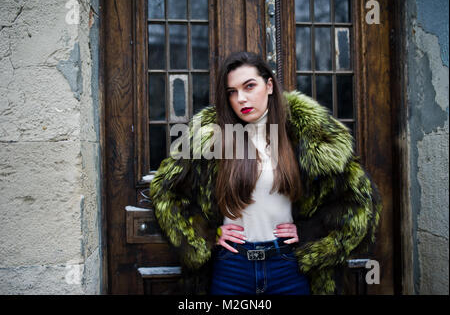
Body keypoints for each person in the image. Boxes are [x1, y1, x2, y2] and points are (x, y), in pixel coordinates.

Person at [149, 51, 382, 295]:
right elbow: (165, 190)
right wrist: (207, 234)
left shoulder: (306, 135)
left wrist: (310, 232)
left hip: (288, 267)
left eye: (249, 86)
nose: (241, 99)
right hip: (231, 269)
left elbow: (358, 202)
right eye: (232, 92)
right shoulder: (210, 135)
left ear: (269, 85)